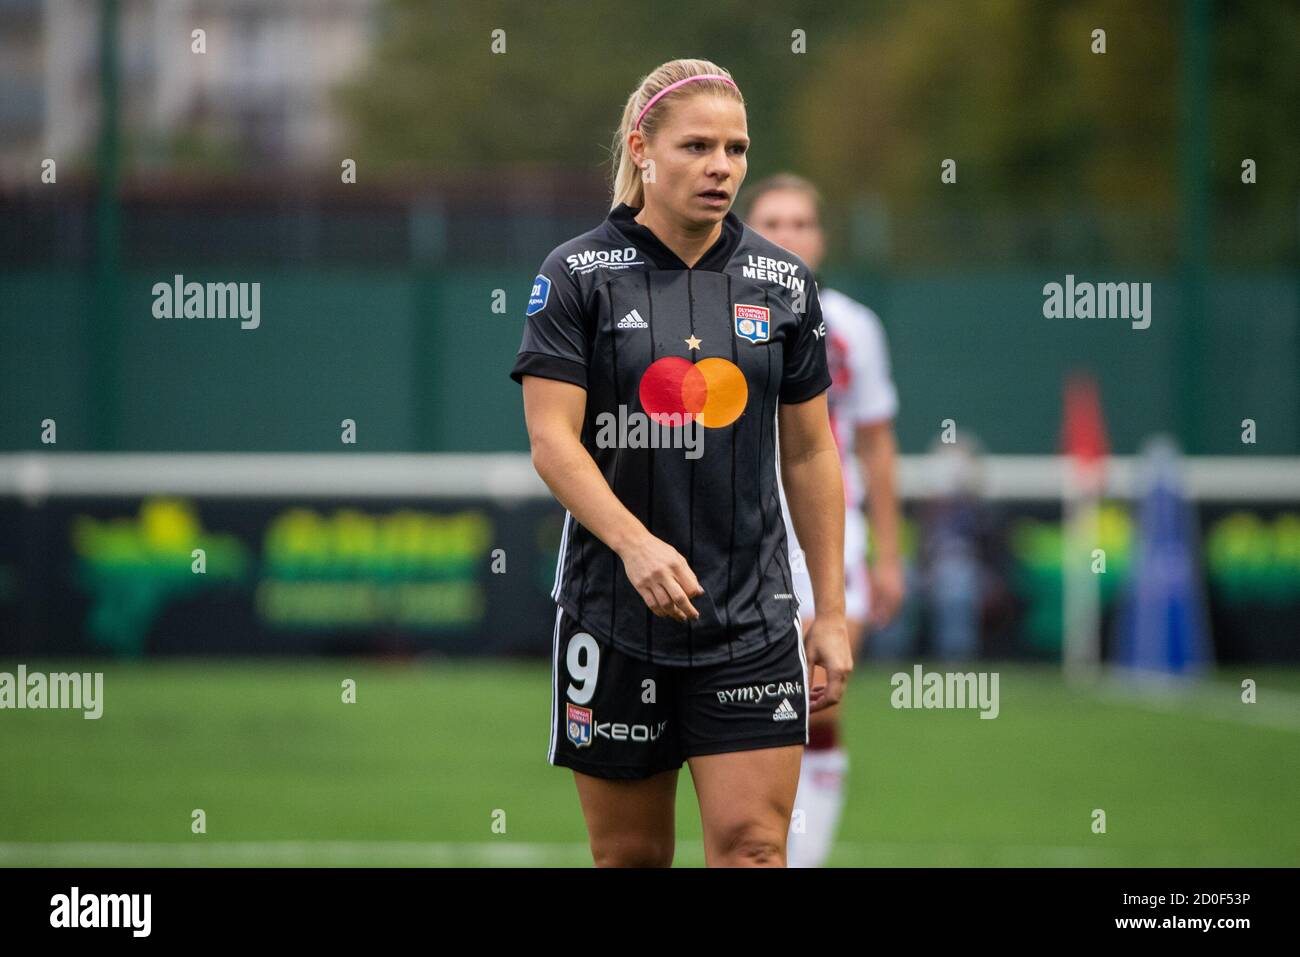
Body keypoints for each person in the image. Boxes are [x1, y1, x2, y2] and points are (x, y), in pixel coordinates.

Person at [509, 59, 852, 867]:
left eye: (736, 149)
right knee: (631, 857)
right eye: (697, 146)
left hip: (753, 621)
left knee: (755, 848)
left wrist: (829, 607)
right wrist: (634, 544)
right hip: (612, 618)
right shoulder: (575, 276)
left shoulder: (784, 285)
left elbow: (810, 450)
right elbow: (553, 442)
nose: (721, 167)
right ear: (643, 147)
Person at [744, 174, 904, 867]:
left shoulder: (854, 326)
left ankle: (799, 856)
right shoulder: (717, 309)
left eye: (801, 222)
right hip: (742, 531)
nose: (788, 234)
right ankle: (754, 842)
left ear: (822, 237)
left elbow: (876, 443)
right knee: (751, 712)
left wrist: (889, 555)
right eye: (773, 221)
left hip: (829, 532)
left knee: (820, 702)